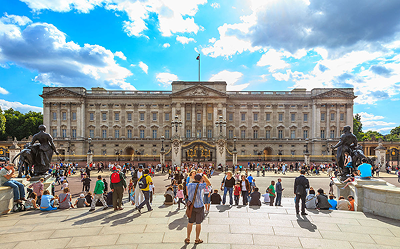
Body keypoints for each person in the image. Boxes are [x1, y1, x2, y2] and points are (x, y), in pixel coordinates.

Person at [185, 174, 211, 244]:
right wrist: (204, 176)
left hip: (191, 206)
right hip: (199, 206)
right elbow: (208, 183)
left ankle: (188, 238)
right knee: (198, 223)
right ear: (200, 180)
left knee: (190, 222)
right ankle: (197, 239)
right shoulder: (200, 186)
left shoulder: (189, 185)